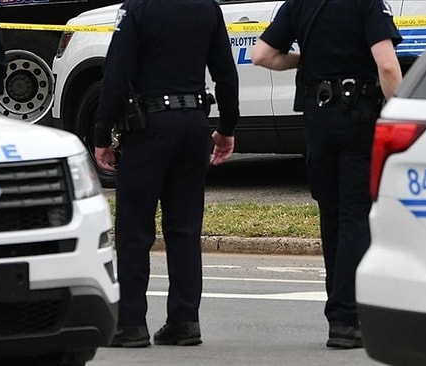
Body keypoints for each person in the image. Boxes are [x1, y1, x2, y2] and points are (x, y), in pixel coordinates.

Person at [251, 0, 402, 349]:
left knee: (331, 216)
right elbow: (387, 67)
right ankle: (346, 318)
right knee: (354, 216)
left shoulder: (300, 5)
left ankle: (338, 316)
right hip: (357, 120)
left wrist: (304, 59)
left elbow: (262, 55)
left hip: (317, 122)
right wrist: (403, 111)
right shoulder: (367, 4)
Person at [93, 0, 239, 348]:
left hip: (148, 128)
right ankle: (185, 320)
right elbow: (224, 71)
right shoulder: (207, 8)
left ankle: (131, 323)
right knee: (185, 228)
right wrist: (228, 127)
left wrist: (101, 133)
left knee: (134, 229)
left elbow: (116, 70)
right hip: (193, 125)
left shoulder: (138, 9)